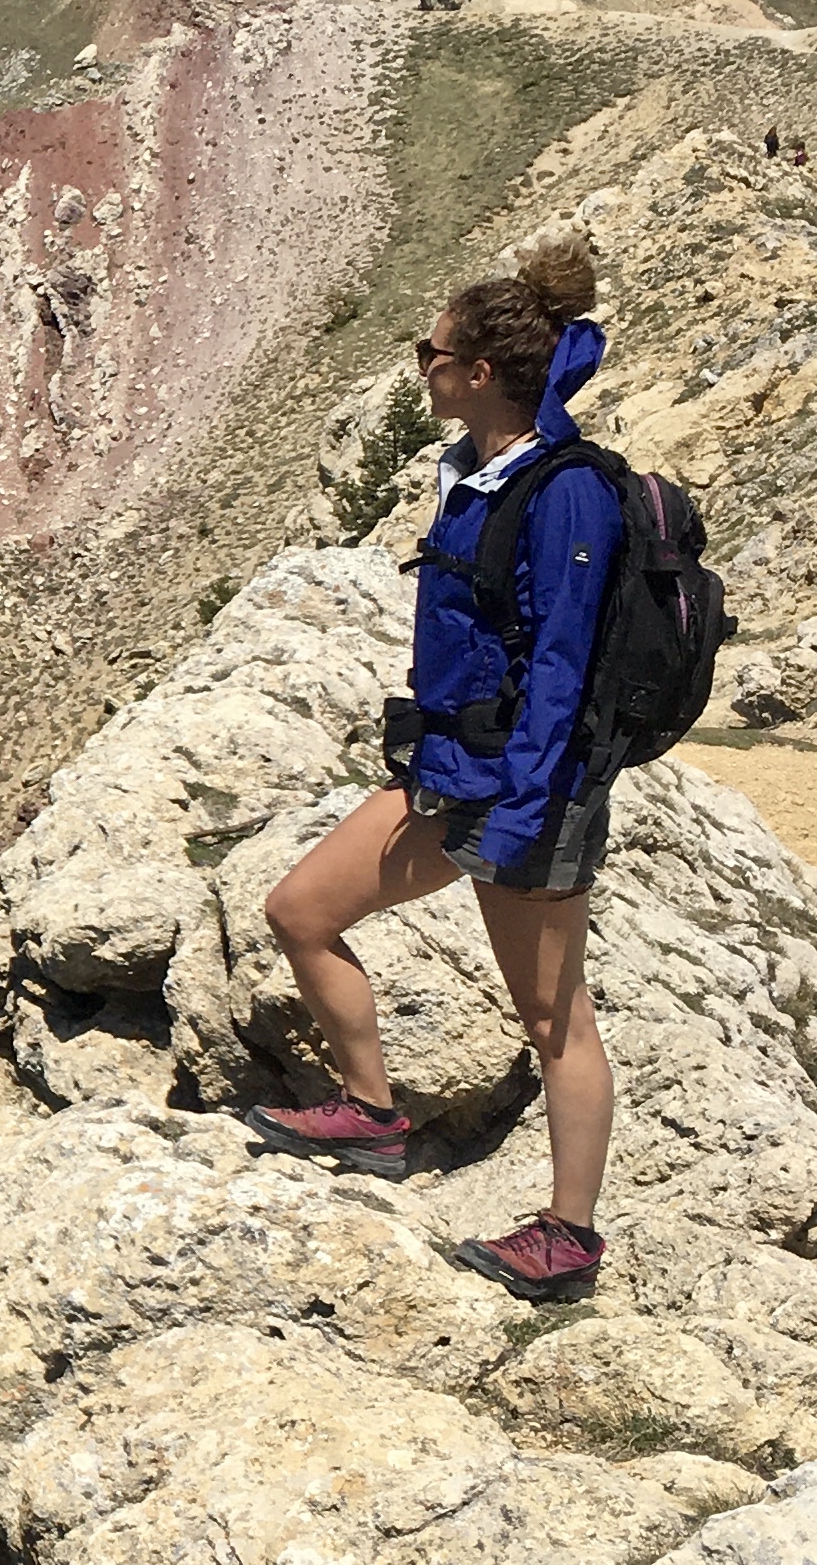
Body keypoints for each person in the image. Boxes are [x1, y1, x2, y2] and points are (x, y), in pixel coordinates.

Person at [248, 230, 619, 1301]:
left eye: (433, 351)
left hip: (527, 792)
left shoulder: (567, 492)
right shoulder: (478, 472)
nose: (423, 367)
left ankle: (568, 1239)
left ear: (481, 372)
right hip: (449, 771)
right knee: (300, 911)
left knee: (555, 1021)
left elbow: (561, 667)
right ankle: (372, 1117)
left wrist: (519, 815)